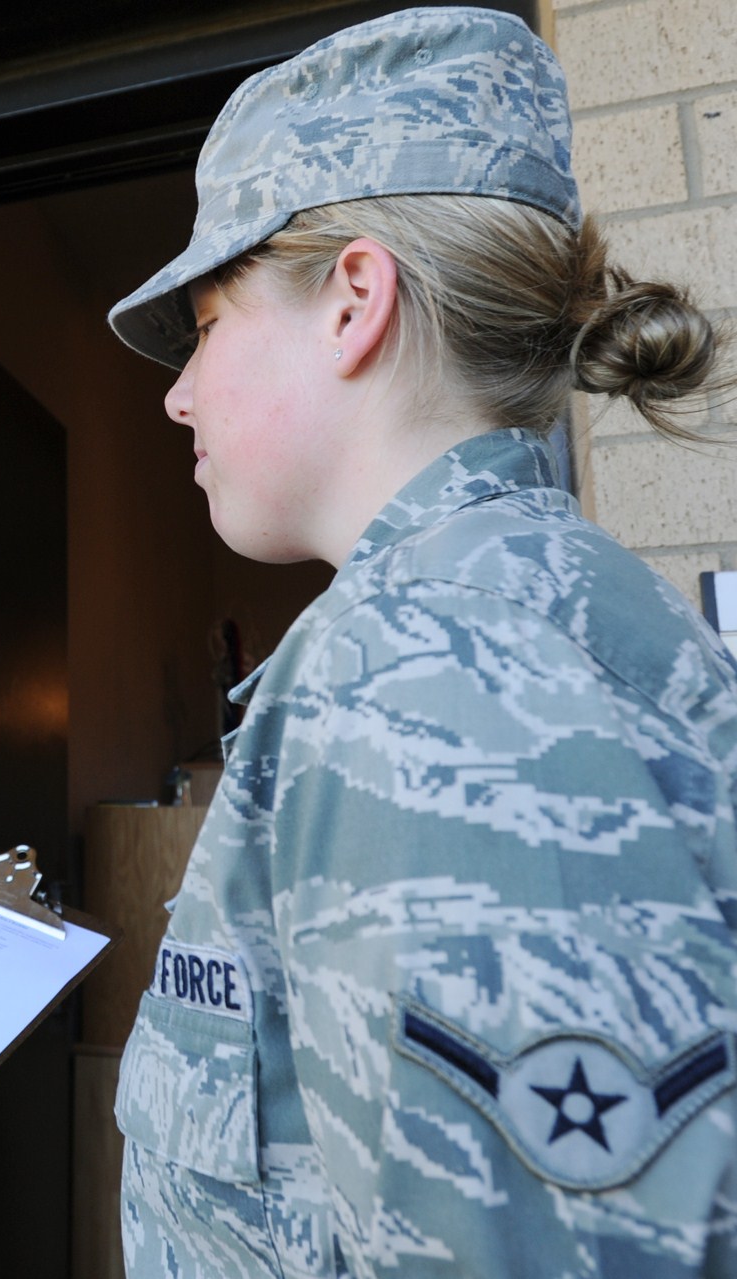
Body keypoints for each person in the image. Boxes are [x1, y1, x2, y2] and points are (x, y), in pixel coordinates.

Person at [106, 8, 736, 1276]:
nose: (176, 392)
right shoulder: (510, 615)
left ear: (353, 300)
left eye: (212, 322)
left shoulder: (428, 666)